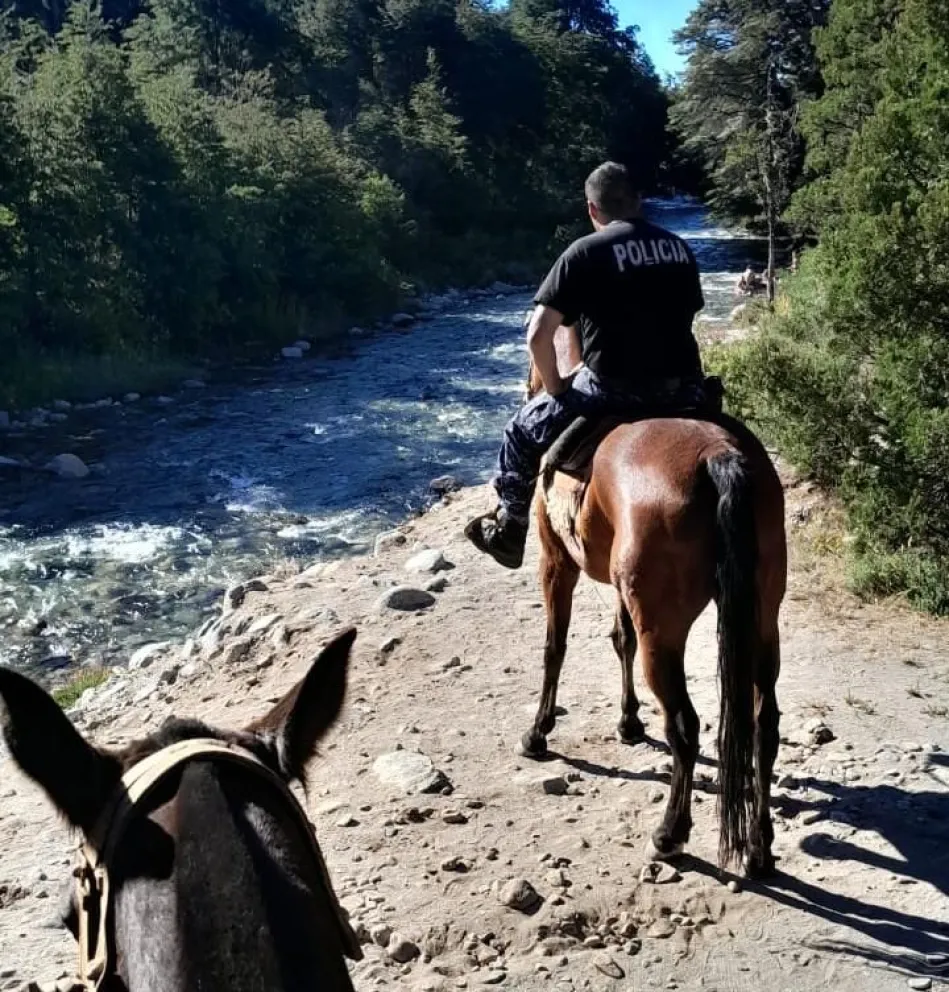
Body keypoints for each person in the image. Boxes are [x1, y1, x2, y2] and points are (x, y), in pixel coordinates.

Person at [465, 161, 708, 569]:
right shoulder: (679, 248)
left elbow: (539, 336)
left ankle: (510, 528)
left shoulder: (585, 252)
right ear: (637, 201)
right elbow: (687, 313)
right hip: (685, 387)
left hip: (613, 388)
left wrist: (558, 386)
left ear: (592, 210)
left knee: (519, 433)